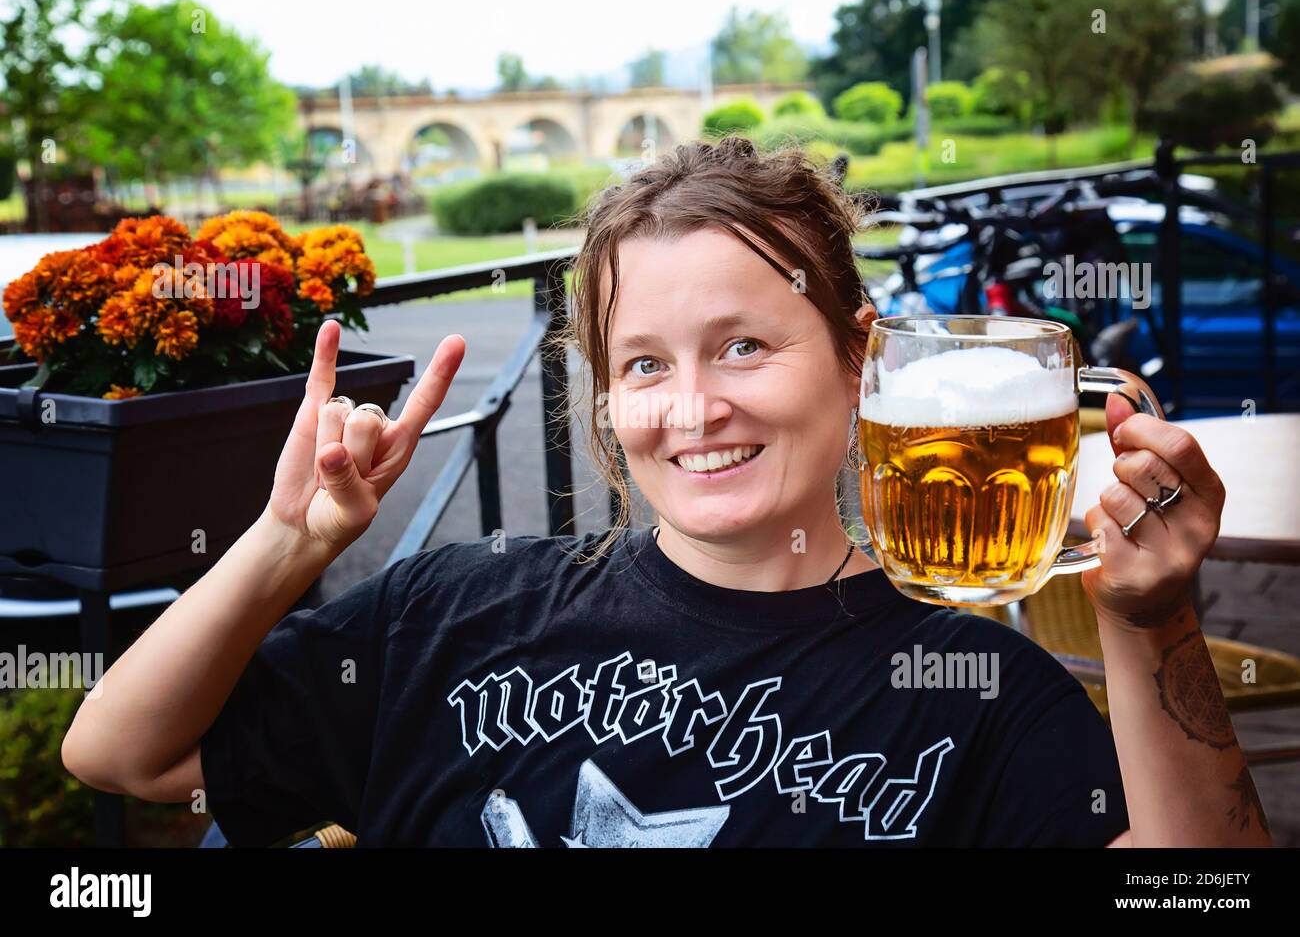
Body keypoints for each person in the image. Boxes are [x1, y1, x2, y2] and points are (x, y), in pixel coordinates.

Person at [62, 137, 1272, 848]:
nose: (691, 409)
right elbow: (120, 749)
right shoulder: (455, 610)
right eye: (644, 363)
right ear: (605, 399)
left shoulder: (974, 697)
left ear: (862, 361)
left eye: (744, 346)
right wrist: (285, 540)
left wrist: (1147, 615)